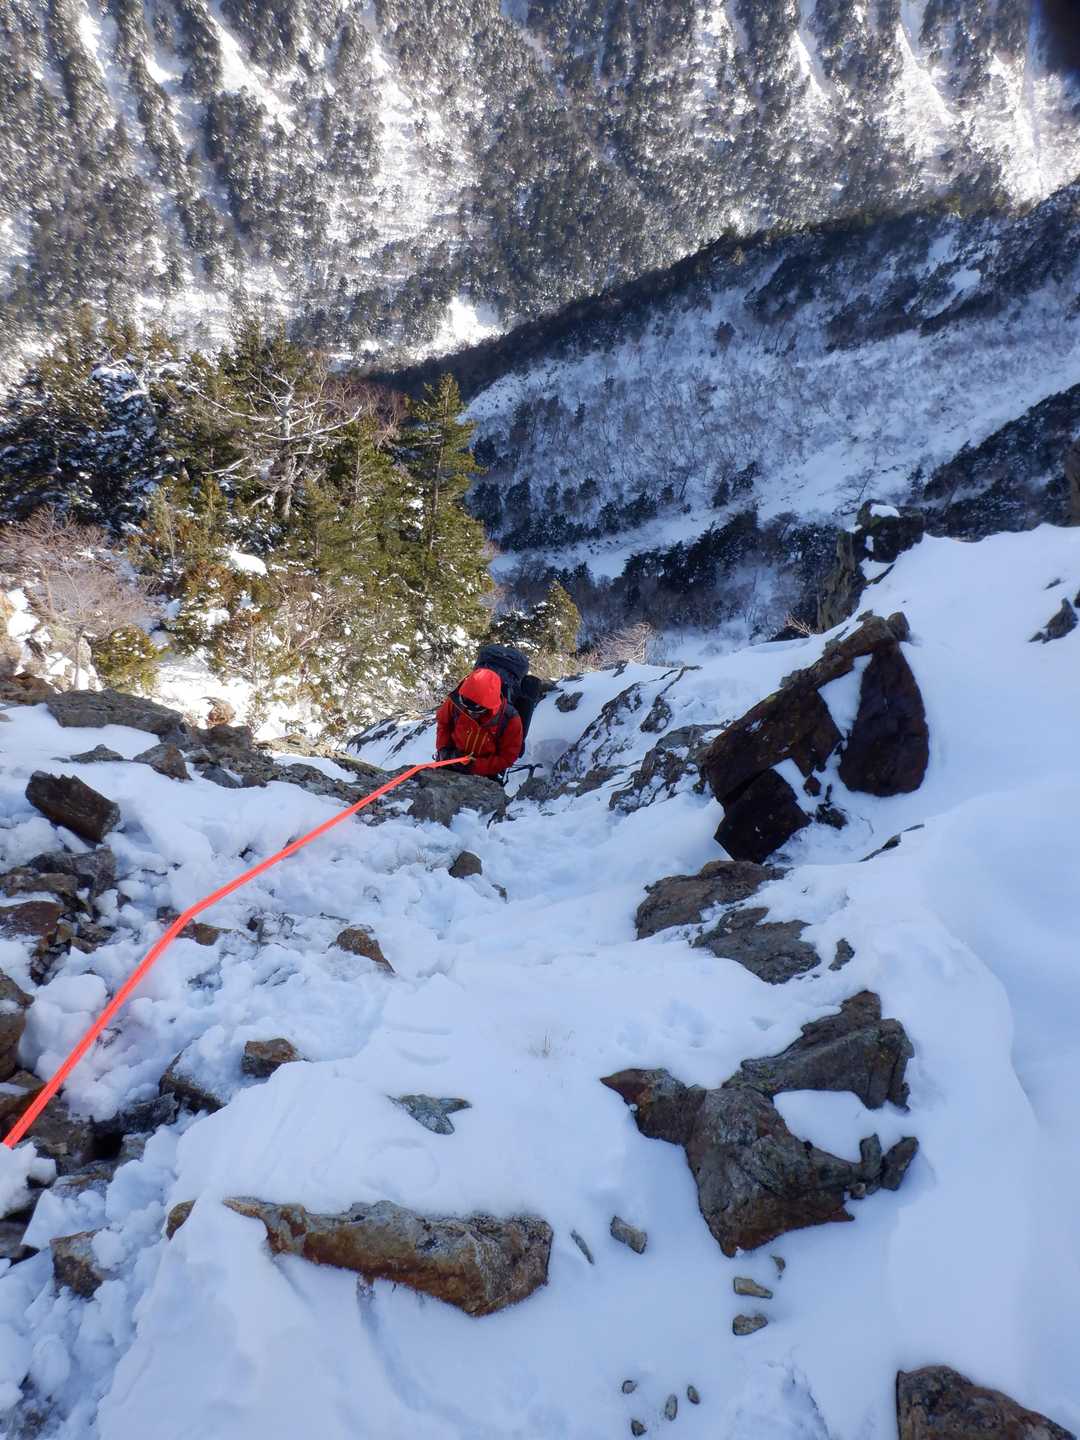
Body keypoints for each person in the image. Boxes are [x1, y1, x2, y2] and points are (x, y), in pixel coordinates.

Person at [435, 666, 525, 780]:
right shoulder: (455, 702)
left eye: (476, 711)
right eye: (466, 707)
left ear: (488, 706)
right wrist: (444, 750)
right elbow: (443, 724)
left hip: (485, 773)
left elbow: (507, 758)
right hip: (452, 760)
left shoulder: (510, 719)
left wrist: (474, 766)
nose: (469, 712)